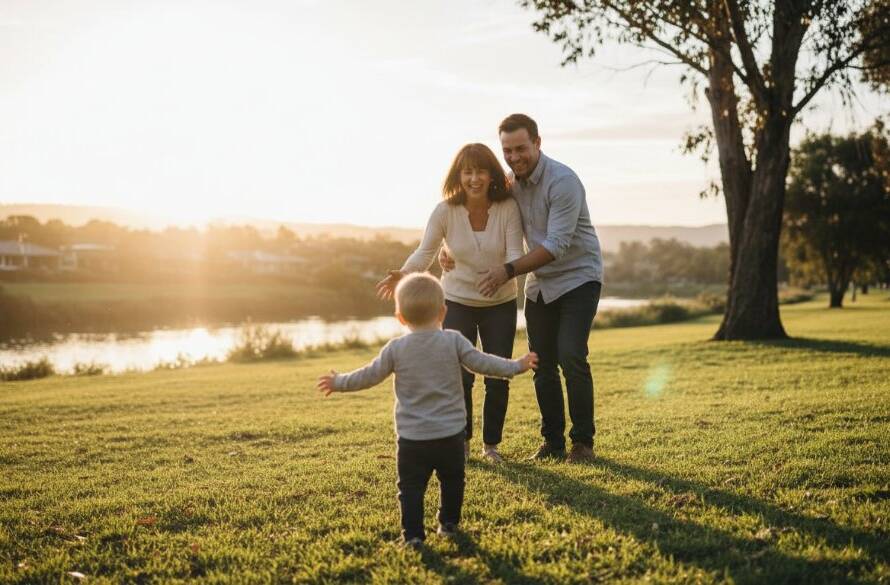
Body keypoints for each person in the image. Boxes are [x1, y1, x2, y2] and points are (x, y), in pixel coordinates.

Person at [318, 273, 538, 548]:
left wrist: (339, 382)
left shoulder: (396, 348)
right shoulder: (453, 341)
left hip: (412, 439)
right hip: (451, 435)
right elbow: (484, 364)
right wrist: (516, 366)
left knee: (410, 488)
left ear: (400, 316)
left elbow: (369, 375)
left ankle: (412, 536)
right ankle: (448, 523)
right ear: (443, 312)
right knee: (453, 481)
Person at [442, 114, 603, 464]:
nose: (514, 157)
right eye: (507, 151)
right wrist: (447, 250)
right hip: (539, 284)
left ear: (537, 143)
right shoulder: (509, 185)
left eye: (520, 148)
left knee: (571, 354)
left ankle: (582, 443)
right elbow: (471, 218)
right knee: (541, 363)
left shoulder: (563, 181)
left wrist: (507, 271)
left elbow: (557, 245)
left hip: (578, 277)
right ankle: (553, 443)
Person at [376, 143, 525, 464]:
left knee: (498, 374)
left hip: (501, 302)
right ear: (458, 175)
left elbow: (515, 254)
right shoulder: (445, 211)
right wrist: (403, 273)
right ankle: (464, 442)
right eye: (467, 171)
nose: (474, 178)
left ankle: (492, 446)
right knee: (460, 375)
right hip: (457, 300)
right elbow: (426, 252)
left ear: (491, 174)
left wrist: (503, 274)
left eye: (481, 170)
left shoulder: (507, 207)